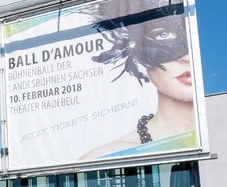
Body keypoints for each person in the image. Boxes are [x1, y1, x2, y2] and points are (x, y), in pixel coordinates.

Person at [79, 0, 195, 160]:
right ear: (136, 46)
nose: (187, 57)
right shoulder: (105, 157)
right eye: (163, 34)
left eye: (196, 35)